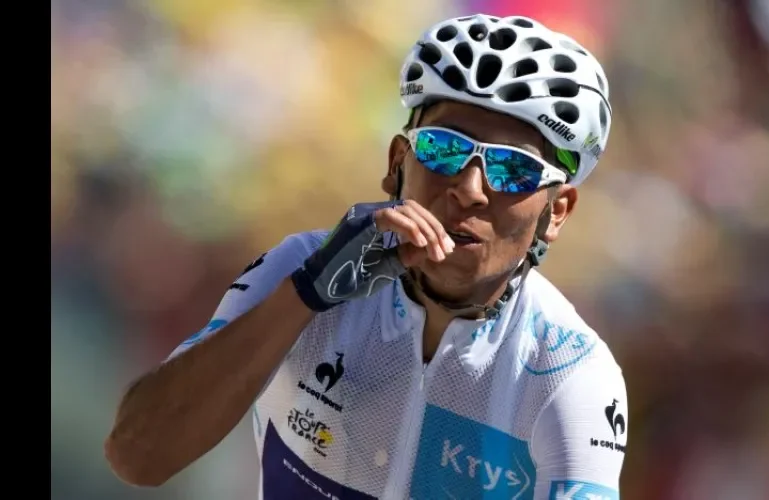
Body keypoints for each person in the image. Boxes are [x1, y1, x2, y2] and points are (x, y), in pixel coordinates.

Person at [104, 13, 628, 500]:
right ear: (398, 162)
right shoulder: (301, 267)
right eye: (443, 148)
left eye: (513, 170)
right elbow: (137, 457)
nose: (469, 189)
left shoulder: (569, 371)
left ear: (557, 212)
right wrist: (304, 296)